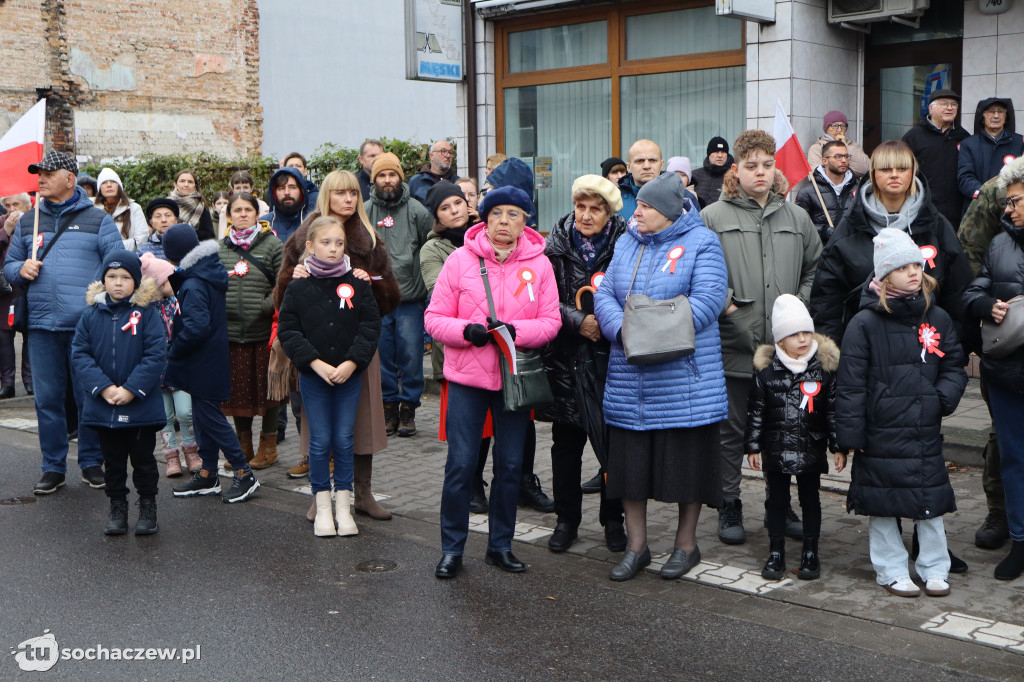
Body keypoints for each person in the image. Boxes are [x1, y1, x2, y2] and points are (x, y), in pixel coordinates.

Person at [594, 172, 728, 581]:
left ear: (669, 212)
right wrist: (624, 331)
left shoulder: (703, 242)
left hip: (683, 381)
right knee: (630, 471)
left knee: (687, 470)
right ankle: (637, 547)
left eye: (646, 206)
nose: (636, 212)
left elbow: (708, 301)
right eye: (637, 204)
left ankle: (686, 545)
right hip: (630, 380)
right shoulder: (626, 241)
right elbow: (605, 294)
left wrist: (648, 332)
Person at [425, 185, 561, 579]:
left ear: (525, 221)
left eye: (513, 214)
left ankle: (500, 546)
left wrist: (516, 332)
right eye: (497, 213)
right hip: (467, 380)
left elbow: (551, 322)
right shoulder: (459, 261)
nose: (504, 221)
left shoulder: (540, 265)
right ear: (485, 218)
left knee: (511, 465)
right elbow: (433, 319)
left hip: (514, 380)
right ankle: (452, 549)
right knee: (461, 465)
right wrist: (465, 331)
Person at [700, 130, 821, 545]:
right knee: (732, 431)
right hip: (734, 344)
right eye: (751, 166)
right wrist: (728, 308)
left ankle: (779, 505)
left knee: (780, 428)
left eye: (767, 165)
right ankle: (728, 503)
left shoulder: (797, 217)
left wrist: (797, 309)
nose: (760, 173)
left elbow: (815, 267)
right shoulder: (712, 217)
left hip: (783, 351)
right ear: (736, 169)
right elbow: (701, 272)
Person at [837, 228, 967, 597]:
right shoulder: (864, 323)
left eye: (916, 265)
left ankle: (934, 567)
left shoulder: (936, 317)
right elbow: (850, 384)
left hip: (923, 427)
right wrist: (850, 436)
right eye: (902, 267)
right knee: (883, 502)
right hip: (881, 430)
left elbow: (954, 366)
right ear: (883, 275)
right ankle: (891, 569)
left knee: (930, 500)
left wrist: (939, 399)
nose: (913, 272)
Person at [3, 150, 123, 495]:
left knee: (89, 397)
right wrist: (21, 269)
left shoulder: (98, 220)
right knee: (47, 400)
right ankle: (53, 467)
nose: (40, 179)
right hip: (41, 326)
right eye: (38, 173)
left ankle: (91, 463)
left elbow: (117, 266)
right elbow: (9, 267)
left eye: (48, 173)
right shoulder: (29, 221)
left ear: (70, 179)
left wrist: (103, 306)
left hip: (86, 326)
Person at [285, 169, 400, 521]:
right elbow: (284, 301)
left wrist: (373, 283)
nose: (348, 199)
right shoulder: (304, 236)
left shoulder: (370, 238)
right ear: (326, 196)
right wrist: (293, 276)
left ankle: (361, 493)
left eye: (353, 193)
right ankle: (319, 496)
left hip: (357, 349)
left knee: (361, 424)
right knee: (317, 427)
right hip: (315, 349)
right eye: (339, 193)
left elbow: (390, 297)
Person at [810, 140, 973, 346]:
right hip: (867, 348)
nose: (894, 175)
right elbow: (827, 298)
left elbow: (958, 291)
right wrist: (836, 353)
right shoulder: (850, 227)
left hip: (927, 347)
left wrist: (953, 348)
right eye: (886, 169)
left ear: (913, 172)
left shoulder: (936, 225)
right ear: (873, 174)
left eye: (902, 169)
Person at [279, 215, 382, 537]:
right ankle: (323, 505)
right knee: (321, 440)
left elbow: (370, 326)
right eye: (326, 243)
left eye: (339, 243)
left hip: (349, 375)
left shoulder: (358, 283)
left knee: (344, 439)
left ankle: (344, 506)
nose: (333, 249)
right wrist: (314, 363)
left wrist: (352, 362)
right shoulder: (298, 286)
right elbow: (289, 330)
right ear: (310, 246)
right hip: (315, 376)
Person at [541, 174, 628, 553]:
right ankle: (566, 520)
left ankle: (614, 519)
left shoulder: (627, 242)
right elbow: (542, 298)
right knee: (566, 445)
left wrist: (605, 322)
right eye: (581, 207)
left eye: (596, 209)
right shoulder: (554, 245)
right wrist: (579, 321)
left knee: (614, 446)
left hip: (613, 359)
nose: (587, 215)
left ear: (609, 213)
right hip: (566, 358)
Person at [745, 295, 842, 581]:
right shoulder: (766, 371)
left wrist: (838, 446)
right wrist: (752, 446)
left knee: (810, 499)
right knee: (777, 500)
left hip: (810, 445)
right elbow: (756, 410)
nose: (802, 339)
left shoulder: (824, 369)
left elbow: (833, 411)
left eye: (806, 332)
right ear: (780, 340)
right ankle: (776, 552)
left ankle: (811, 552)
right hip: (776, 446)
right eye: (793, 334)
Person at [163, 224, 261, 503]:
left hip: (202, 361)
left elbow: (196, 327)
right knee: (202, 417)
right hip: (208, 359)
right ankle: (208, 473)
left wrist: (174, 350)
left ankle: (243, 473)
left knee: (211, 419)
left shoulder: (193, 283)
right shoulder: (204, 273)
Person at [71, 250, 166, 535]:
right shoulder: (90, 315)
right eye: (112, 276)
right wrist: (103, 388)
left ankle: (147, 506)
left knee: (144, 461)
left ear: (135, 281)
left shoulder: (147, 314)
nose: (118, 282)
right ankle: (117, 507)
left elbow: (155, 354)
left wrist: (131, 389)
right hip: (105, 403)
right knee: (112, 462)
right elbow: (80, 354)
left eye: (125, 277)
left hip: (140, 404)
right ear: (103, 280)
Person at [963, 157, 1024, 581]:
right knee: (1014, 459)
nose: (1009, 208)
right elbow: (972, 292)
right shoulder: (999, 244)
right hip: (1007, 372)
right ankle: (1019, 540)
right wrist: (986, 305)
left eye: (1016, 201)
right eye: (1008, 202)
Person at [958, 175, 1011, 550]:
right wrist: (985, 316)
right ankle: (999, 511)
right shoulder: (999, 189)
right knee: (1003, 429)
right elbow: (970, 259)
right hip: (1006, 332)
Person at [364, 152, 433, 437]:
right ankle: (389, 407)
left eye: (392, 174)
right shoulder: (365, 211)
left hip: (410, 299)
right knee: (383, 358)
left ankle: (408, 409)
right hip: (378, 301)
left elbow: (430, 246)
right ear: (374, 179)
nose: (387, 180)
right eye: (382, 175)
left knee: (411, 356)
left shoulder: (417, 211)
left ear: (400, 178)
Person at [218, 193, 283, 470]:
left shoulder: (273, 244)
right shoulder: (220, 248)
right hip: (232, 333)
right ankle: (243, 446)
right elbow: (213, 284)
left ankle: (269, 448)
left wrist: (264, 306)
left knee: (269, 392)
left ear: (258, 214)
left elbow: (284, 282)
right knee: (238, 392)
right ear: (229, 216)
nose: (243, 214)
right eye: (237, 210)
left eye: (248, 209)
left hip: (264, 332)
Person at [140, 251, 199, 477]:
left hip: (179, 367)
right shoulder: (144, 310)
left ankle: (191, 451)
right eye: (167, 280)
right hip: (157, 372)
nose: (172, 283)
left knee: (185, 412)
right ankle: (170, 456)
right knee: (164, 416)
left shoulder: (178, 302)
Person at [903, 89, 970, 228]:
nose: (950, 108)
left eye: (954, 104)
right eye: (944, 104)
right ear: (931, 109)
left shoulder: (964, 137)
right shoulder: (914, 137)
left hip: (958, 212)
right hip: (924, 210)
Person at [957, 97, 1023, 214]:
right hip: (978, 208)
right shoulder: (969, 144)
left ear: (1005, 117)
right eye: (991, 111)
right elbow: (965, 178)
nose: (996, 116)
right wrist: (985, 195)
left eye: (1000, 111)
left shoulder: (1020, 142)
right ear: (982, 118)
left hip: (1012, 209)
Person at [0, 193, 33, 398]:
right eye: (8, 205)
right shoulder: (2, 223)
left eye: (16, 204)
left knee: (30, 333)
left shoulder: (35, 221)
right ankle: (7, 382)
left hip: (29, 287)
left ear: (27, 206)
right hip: (5, 289)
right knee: (4, 337)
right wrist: (5, 232)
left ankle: (30, 380)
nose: (12, 209)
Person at [795, 139, 857, 244]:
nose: (844, 160)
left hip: (850, 250)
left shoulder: (859, 190)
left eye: (846, 156)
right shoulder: (807, 192)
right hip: (821, 250)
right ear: (825, 161)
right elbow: (799, 225)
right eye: (838, 156)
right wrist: (823, 231)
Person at [261, 166, 318, 247]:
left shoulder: (314, 223)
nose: (287, 192)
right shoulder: (263, 224)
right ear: (274, 193)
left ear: (301, 191)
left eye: (292, 187)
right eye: (281, 188)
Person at [94, 168, 148, 252]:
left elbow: (141, 239)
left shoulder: (134, 208)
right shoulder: (92, 210)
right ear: (99, 188)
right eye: (104, 182)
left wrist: (114, 247)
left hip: (127, 256)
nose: (109, 185)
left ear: (119, 186)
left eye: (113, 182)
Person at [806, 111, 870, 178]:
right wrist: (847, 169)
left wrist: (845, 146)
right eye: (834, 126)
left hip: (850, 184)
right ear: (827, 128)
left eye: (842, 126)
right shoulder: (817, 148)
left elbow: (866, 169)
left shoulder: (853, 145)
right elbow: (816, 175)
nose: (839, 130)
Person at [617, 139, 664, 219]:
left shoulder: (679, 197)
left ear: (661, 165)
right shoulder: (614, 199)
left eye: (652, 160)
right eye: (640, 161)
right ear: (629, 167)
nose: (646, 166)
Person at [168, 169, 216, 241]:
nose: (186, 185)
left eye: (190, 182)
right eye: (182, 181)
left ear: (195, 186)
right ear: (175, 184)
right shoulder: (167, 204)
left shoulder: (201, 207)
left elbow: (209, 235)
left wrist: (191, 231)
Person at [690, 137, 733, 209]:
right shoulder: (694, 176)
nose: (720, 155)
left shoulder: (734, 178)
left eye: (723, 152)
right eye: (716, 152)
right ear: (709, 154)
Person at [409, 140, 458, 205]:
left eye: (450, 152)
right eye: (443, 151)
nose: (448, 155)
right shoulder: (416, 182)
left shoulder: (457, 182)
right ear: (431, 156)